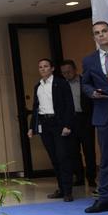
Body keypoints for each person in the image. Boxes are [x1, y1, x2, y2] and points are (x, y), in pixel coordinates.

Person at [80, 21, 108, 213]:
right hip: (103, 113)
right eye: (97, 33)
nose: (101, 35)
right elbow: (86, 84)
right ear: (94, 37)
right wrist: (92, 93)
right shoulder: (89, 60)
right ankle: (105, 199)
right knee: (106, 159)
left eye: (104, 31)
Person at [27, 58, 76, 202]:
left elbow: (69, 105)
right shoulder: (38, 86)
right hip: (45, 124)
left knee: (63, 157)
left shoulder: (61, 84)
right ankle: (61, 188)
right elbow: (36, 108)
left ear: (52, 68)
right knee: (54, 158)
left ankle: (68, 191)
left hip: (59, 123)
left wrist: (68, 125)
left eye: (46, 66)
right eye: (40, 67)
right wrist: (32, 128)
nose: (43, 69)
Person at [60, 59, 97, 188]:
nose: (66, 74)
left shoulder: (85, 82)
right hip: (70, 121)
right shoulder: (62, 85)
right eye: (63, 73)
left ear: (75, 69)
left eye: (69, 71)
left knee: (89, 150)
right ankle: (79, 177)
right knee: (73, 152)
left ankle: (91, 178)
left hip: (85, 120)